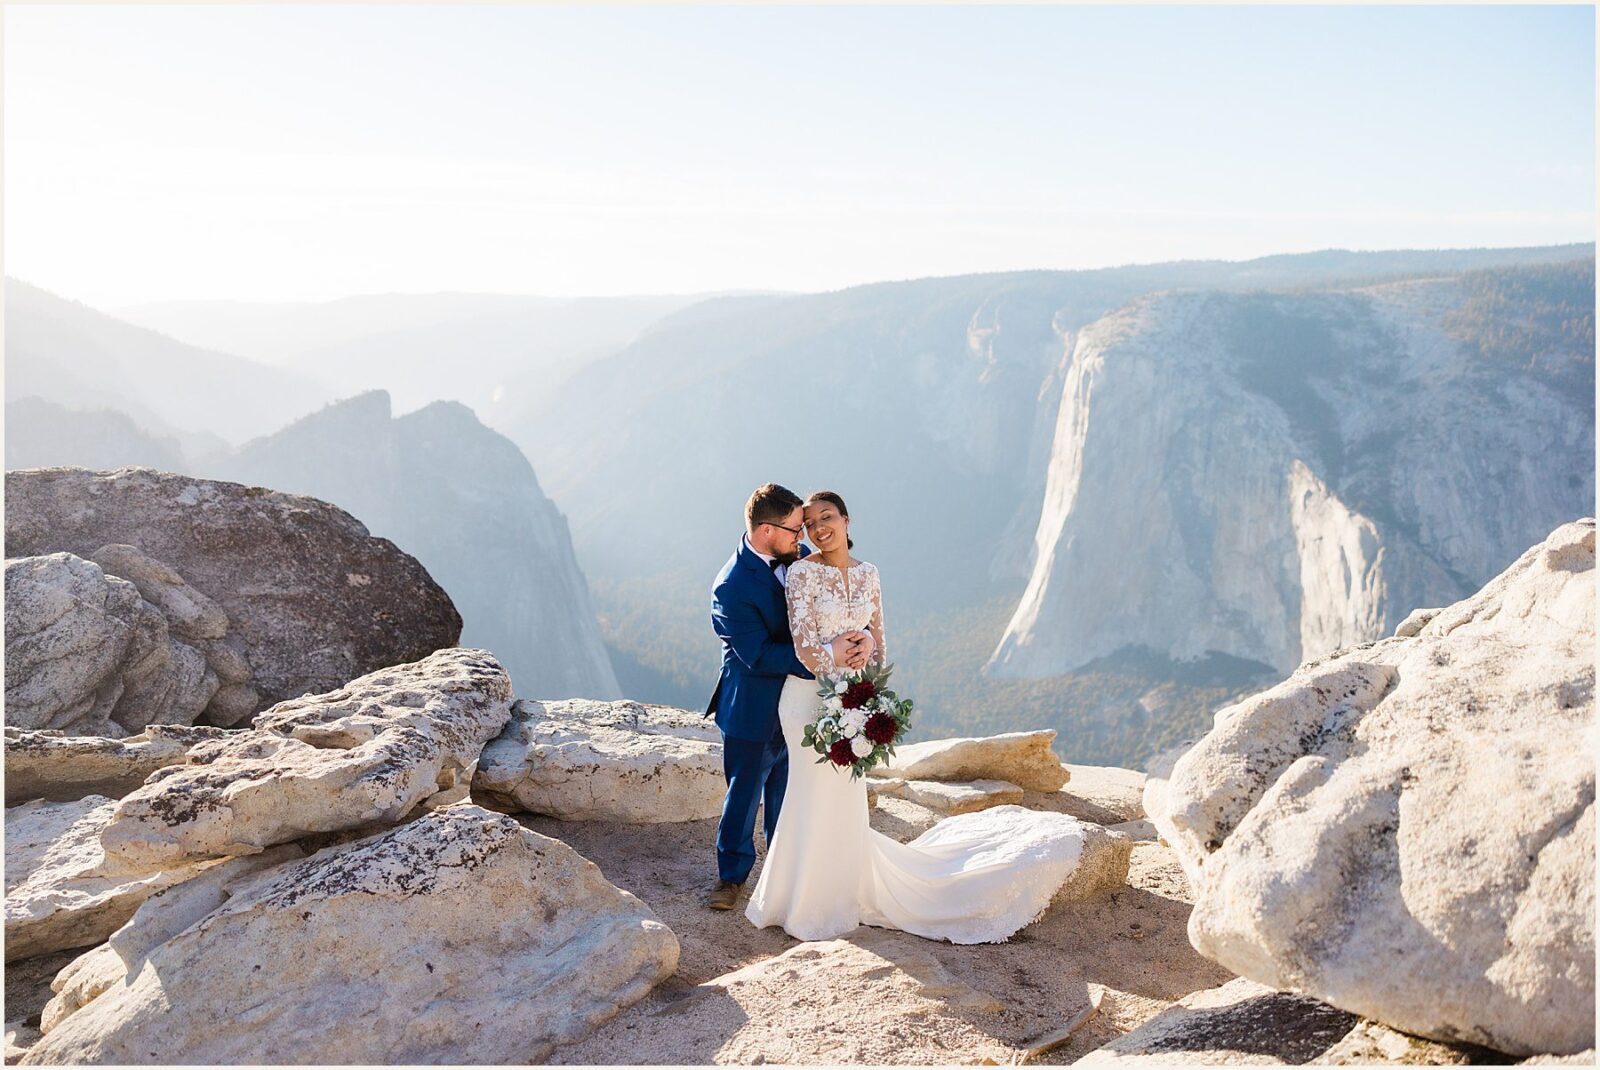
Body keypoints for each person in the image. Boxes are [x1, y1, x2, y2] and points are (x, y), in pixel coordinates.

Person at [744, 490, 1088, 943]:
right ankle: (802, 902)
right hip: (808, 702)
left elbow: (879, 641)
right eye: (810, 524)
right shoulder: (802, 574)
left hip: (854, 696)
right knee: (810, 794)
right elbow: (804, 646)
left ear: (847, 519)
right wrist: (839, 668)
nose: (819, 528)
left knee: (844, 801)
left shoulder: (869, 573)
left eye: (827, 517)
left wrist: (863, 673)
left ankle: (840, 891)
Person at [705, 483, 874, 911]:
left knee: (790, 791)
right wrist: (825, 656)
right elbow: (758, 654)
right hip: (754, 705)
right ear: (766, 530)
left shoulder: (796, 558)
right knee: (745, 793)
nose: (804, 538)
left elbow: (834, 611)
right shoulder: (730, 587)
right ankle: (731, 878)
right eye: (795, 530)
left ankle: (785, 873)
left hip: (802, 701)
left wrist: (860, 640)